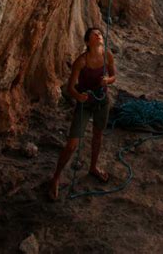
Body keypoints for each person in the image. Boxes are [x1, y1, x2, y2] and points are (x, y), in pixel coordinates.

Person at [49, 27, 116, 200]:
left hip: (102, 102)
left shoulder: (107, 55)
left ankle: (93, 167)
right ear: (87, 42)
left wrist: (107, 80)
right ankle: (56, 177)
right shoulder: (81, 61)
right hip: (85, 104)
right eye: (94, 34)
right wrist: (79, 96)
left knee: (97, 136)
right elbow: (70, 88)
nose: (99, 35)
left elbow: (114, 76)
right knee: (72, 144)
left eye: (100, 33)